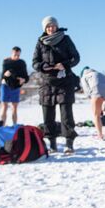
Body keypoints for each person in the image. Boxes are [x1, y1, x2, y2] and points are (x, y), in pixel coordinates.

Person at [33, 16, 80, 154]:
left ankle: (69, 143)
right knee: (48, 115)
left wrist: (64, 65)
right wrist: (44, 66)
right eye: (48, 26)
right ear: (44, 28)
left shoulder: (65, 39)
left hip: (65, 81)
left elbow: (76, 57)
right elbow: (35, 62)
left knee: (66, 115)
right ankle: (52, 144)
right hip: (47, 83)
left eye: (52, 26)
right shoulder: (40, 41)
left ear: (57, 26)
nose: (50, 28)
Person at [0, 46, 29, 125]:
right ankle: (2, 126)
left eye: (18, 55)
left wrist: (23, 79)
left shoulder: (22, 63)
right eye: (15, 55)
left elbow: (26, 77)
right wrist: (7, 75)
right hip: (5, 85)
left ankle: (14, 126)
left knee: (14, 107)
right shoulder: (6, 61)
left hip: (15, 87)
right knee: (4, 106)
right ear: (12, 53)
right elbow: (3, 75)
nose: (16, 57)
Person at [81, 66, 105, 140]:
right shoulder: (99, 74)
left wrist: (90, 97)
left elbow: (86, 90)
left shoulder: (84, 76)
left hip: (96, 92)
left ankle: (100, 135)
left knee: (96, 115)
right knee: (100, 111)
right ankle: (103, 106)